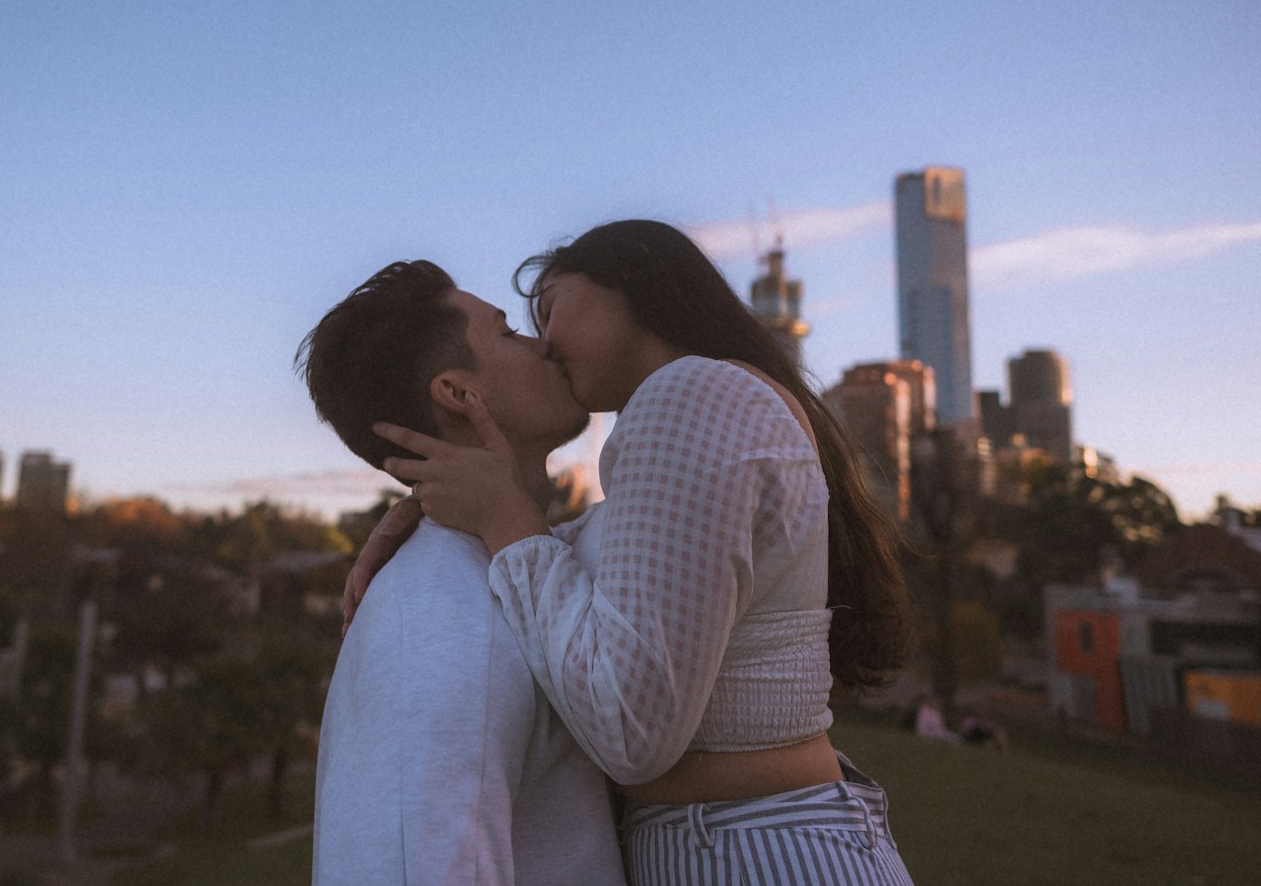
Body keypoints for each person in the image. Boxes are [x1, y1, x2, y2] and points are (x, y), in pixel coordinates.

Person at [368, 219, 918, 885]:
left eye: (549, 310)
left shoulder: (689, 394)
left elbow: (631, 727)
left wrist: (504, 520)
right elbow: (619, 569)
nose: (543, 346)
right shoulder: (713, 403)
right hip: (751, 842)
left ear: (633, 278)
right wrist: (441, 514)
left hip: (754, 850)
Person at [296, 260, 625, 886]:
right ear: (459, 394)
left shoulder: (518, 568)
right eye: (506, 333)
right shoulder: (440, 619)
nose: (545, 343)